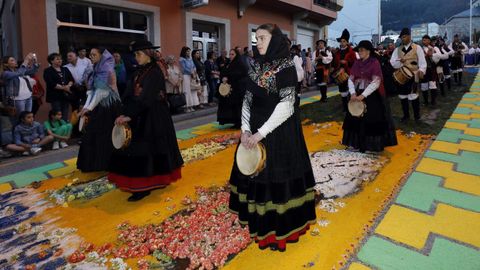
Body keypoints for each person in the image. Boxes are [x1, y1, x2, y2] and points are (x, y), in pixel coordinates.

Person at [229, 23, 316, 252]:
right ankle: (261, 227)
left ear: (275, 39)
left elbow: (287, 106)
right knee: (256, 179)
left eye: (263, 38)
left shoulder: (287, 67)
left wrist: (260, 133)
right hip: (255, 130)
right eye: (256, 38)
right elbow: (247, 100)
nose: (258, 42)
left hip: (279, 133)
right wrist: (245, 129)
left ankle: (279, 234)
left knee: (277, 183)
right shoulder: (255, 66)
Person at [108, 41, 184, 202]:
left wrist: (130, 115)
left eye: (139, 54)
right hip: (140, 114)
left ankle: (144, 186)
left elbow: (147, 97)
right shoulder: (138, 71)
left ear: (148, 55)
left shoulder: (155, 72)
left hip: (153, 117)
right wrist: (123, 112)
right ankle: (149, 182)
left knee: (148, 149)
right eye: (135, 55)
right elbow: (129, 94)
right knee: (145, 150)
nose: (136, 58)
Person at [342, 40, 398, 152]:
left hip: (371, 95)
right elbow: (351, 79)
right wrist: (353, 93)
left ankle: (371, 145)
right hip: (357, 94)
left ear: (368, 51)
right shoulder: (357, 63)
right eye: (359, 50)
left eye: (362, 50)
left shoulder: (374, 62)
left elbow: (376, 82)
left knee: (372, 119)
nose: (360, 52)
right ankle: (355, 144)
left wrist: (363, 95)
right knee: (354, 117)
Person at [76, 47, 121, 172]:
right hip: (98, 105)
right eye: (90, 55)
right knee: (93, 133)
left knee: (106, 134)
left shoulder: (107, 69)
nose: (91, 57)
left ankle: (108, 163)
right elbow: (91, 92)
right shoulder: (94, 69)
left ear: (102, 55)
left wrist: (89, 108)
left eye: (94, 54)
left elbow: (102, 92)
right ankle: (95, 164)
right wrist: (85, 107)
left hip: (109, 106)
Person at [390, 28, 427, 122]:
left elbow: (422, 62)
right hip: (402, 75)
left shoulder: (417, 48)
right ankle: (406, 116)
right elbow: (392, 62)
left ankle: (416, 116)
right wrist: (400, 63)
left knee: (414, 95)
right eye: (401, 37)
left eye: (404, 37)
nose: (402, 39)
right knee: (403, 96)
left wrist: (421, 71)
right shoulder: (397, 50)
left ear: (409, 36)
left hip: (414, 75)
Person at [217, 48, 248, 128]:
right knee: (229, 107)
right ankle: (233, 122)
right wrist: (223, 77)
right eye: (230, 54)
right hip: (228, 89)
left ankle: (239, 123)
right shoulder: (228, 63)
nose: (230, 56)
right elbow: (223, 72)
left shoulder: (240, 63)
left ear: (236, 55)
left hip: (237, 90)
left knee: (237, 106)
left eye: (232, 54)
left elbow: (241, 74)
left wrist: (229, 78)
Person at [1, 54, 39, 118]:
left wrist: (35, 62)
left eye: (14, 59)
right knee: (20, 118)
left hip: (28, 97)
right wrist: (25, 62)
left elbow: (33, 71)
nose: (15, 61)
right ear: (6, 64)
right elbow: (19, 73)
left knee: (28, 116)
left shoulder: (18, 70)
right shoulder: (6, 73)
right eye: (12, 60)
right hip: (18, 99)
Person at [43, 53, 75, 121]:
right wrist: (64, 88)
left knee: (65, 115)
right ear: (51, 61)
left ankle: (64, 130)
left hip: (66, 96)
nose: (60, 60)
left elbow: (71, 79)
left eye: (60, 59)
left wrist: (68, 86)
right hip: (55, 97)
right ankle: (57, 130)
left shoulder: (65, 69)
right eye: (57, 59)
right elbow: (51, 83)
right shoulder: (48, 71)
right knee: (57, 114)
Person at [420, 35, 447, 106]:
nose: (423, 41)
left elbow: (439, 57)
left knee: (433, 85)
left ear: (429, 41)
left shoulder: (434, 48)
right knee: (424, 86)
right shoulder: (420, 49)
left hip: (432, 69)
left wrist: (432, 56)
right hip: (423, 70)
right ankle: (425, 102)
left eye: (425, 40)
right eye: (423, 40)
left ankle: (433, 101)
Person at [334, 29, 357, 111]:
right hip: (341, 73)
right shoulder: (337, 52)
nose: (342, 43)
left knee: (351, 90)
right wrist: (338, 68)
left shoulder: (352, 52)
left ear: (347, 42)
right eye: (341, 41)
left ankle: (352, 106)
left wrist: (346, 62)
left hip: (349, 73)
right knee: (343, 91)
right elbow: (335, 63)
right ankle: (345, 107)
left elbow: (355, 63)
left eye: (344, 41)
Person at [179, 46, 199, 112]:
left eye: (189, 51)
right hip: (185, 76)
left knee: (191, 91)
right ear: (184, 52)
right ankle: (186, 106)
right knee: (186, 91)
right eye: (187, 51)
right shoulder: (181, 59)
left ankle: (191, 105)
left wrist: (194, 72)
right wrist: (191, 73)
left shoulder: (190, 59)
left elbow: (194, 66)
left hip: (191, 76)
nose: (188, 53)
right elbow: (184, 68)